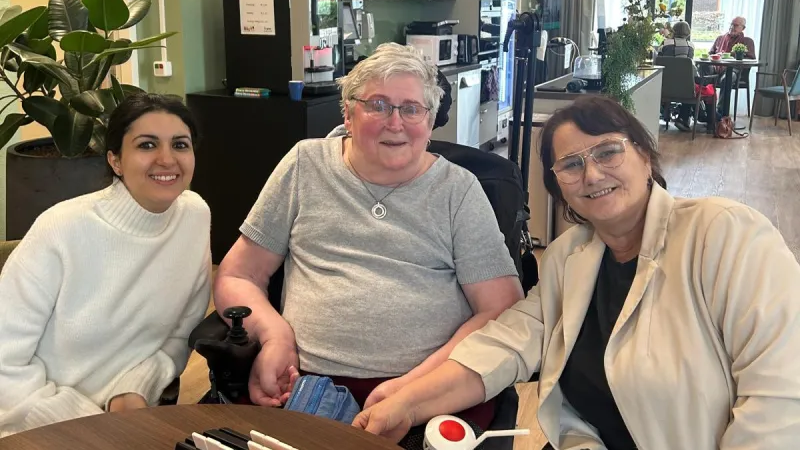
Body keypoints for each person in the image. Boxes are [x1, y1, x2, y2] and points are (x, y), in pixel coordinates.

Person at [354, 95, 800, 450]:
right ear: (557, 187)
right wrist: (407, 404)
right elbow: (506, 343)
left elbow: (781, 401)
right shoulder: (570, 257)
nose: (591, 174)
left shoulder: (723, 234)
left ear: (645, 155)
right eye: (570, 165)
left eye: (608, 151)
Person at [213, 43, 523, 431]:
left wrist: (413, 388)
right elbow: (238, 276)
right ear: (348, 112)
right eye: (377, 105)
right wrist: (274, 337)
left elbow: (501, 309)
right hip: (302, 383)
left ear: (429, 121)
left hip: (430, 391)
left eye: (411, 108)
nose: (395, 123)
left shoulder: (458, 191)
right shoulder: (305, 165)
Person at [0, 94, 211, 437]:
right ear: (115, 160)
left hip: (128, 421)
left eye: (180, 145)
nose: (167, 159)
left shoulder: (195, 216)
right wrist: (90, 424)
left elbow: (180, 335)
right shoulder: (62, 228)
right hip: (33, 424)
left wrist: (133, 389)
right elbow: (3, 363)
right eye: (146, 145)